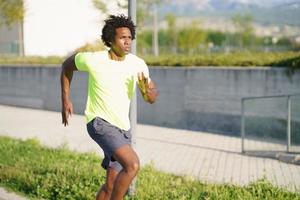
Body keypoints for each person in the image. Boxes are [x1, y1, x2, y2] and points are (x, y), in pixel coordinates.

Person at [60, 14, 158, 200]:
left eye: (130, 37)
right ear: (111, 39)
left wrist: (148, 94)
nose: (127, 41)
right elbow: (66, 66)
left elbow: (152, 95)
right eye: (122, 37)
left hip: (122, 129)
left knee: (111, 185)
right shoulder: (93, 60)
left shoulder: (138, 64)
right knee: (133, 165)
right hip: (99, 123)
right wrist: (65, 99)